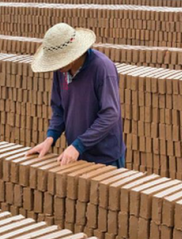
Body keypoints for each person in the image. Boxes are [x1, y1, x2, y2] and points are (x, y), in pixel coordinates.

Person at [26, 23, 125, 168]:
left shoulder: (102, 68)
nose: (58, 67)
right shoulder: (61, 71)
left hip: (105, 157)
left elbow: (109, 115)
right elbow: (59, 109)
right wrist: (50, 138)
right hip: (78, 155)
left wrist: (78, 145)